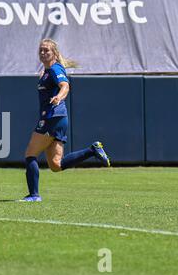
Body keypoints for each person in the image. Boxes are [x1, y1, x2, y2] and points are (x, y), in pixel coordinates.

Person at [22, 39, 111, 202]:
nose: (43, 53)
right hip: (59, 118)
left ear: (54, 53)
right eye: (41, 50)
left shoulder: (55, 69)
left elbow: (65, 86)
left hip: (52, 117)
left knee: (30, 154)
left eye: (46, 50)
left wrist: (58, 97)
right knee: (56, 165)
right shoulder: (47, 71)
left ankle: (34, 195)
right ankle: (92, 150)